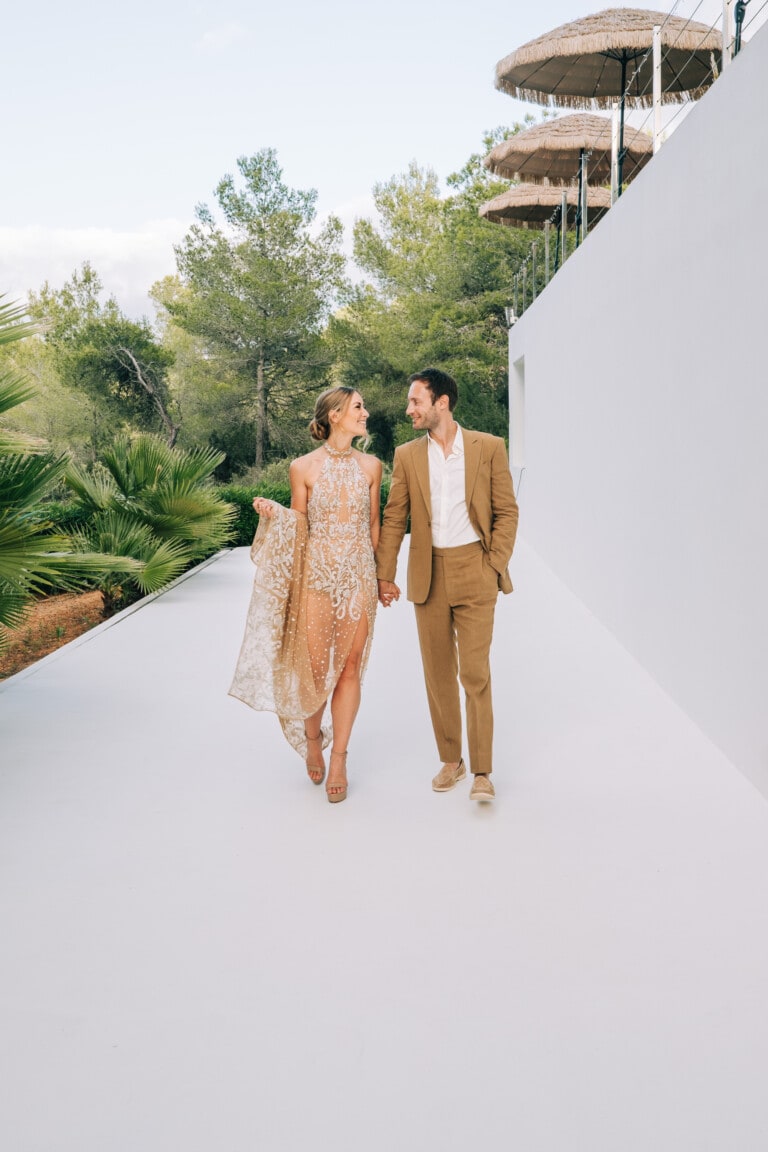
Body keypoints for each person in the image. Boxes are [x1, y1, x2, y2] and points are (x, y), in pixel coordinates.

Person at [229, 387, 381, 804]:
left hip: (358, 581)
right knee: (316, 672)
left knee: (350, 668)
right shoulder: (302, 467)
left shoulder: (372, 466)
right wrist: (276, 514)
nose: (365, 413)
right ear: (334, 415)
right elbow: (299, 524)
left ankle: (340, 757)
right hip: (316, 579)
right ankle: (313, 740)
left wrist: (381, 578)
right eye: (358, 407)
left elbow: (374, 528)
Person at [376, 368, 518, 801]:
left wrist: (494, 564)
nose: (409, 409)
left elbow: (507, 511)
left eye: (416, 401)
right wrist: (385, 574)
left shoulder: (489, 447)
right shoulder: (406, 455)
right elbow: (395, 516)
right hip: (428, 574)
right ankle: (451, 762)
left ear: (441, 402)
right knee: (438, 675)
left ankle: (482, 772)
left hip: (475, 568)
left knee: (474, 673)